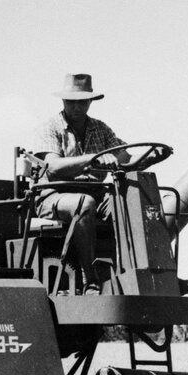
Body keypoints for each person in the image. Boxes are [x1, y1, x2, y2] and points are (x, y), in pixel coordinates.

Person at [31, 74, 129, 295]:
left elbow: (125, 155)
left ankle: (148, 274)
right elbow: (53, 168)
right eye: (71, 101)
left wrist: (133, 157)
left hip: (95, 194)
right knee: (84, 204)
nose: (76, 107)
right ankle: (90, 279)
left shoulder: (100, 128)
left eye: (82, 101)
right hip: (53, 195)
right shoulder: (50, 128)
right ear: (63, 102)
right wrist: (93, 158)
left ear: (90, 102)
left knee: (132, 203)